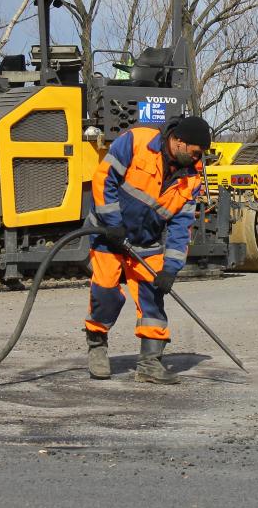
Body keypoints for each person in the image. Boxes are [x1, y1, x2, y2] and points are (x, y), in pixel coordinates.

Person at [85, 115, 212, 384]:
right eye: (196, 152)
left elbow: (181, 226)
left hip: (145, 242)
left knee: (153, 297)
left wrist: (171, 269)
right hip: (108, 233)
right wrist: (113, 223)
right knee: (105, 291)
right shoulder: (137, 141)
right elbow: (103, 178)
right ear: (178, 141)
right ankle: (97, 344)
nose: (198, 158)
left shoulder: (191, 178)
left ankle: (150, 364)